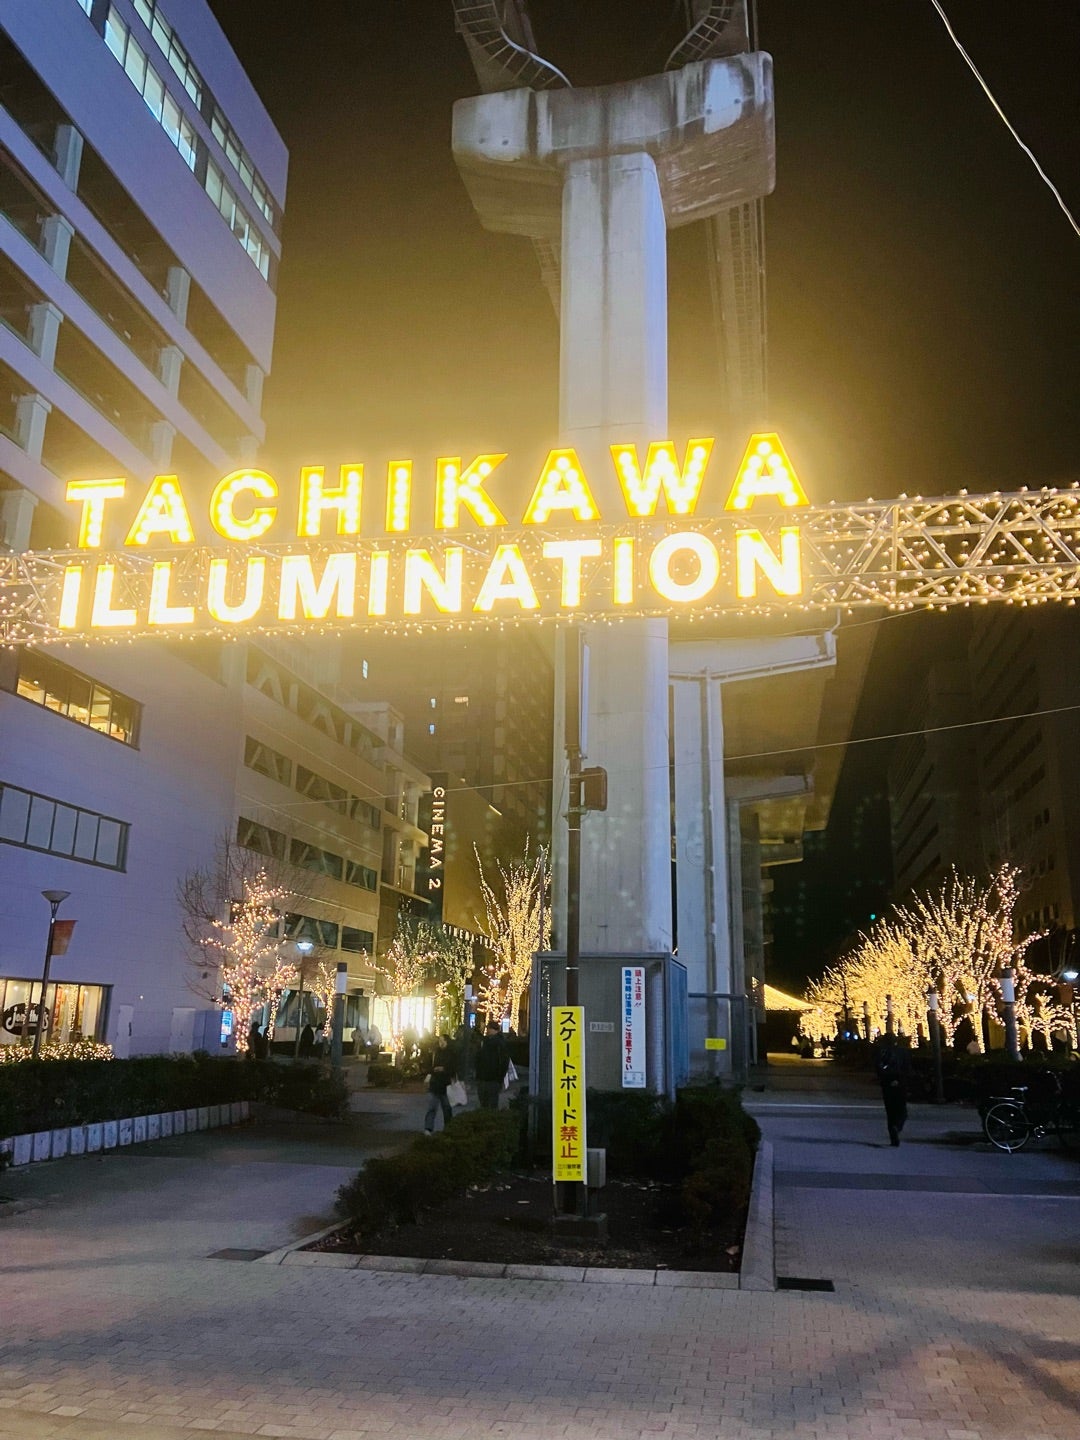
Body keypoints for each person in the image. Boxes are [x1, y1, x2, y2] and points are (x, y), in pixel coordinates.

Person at [874, 1039, 908, 1146]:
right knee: (901, 1109)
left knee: (890, 1111)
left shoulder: (882, 1052)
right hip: (900, 1083)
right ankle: (897, 1126)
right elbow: (907, 1068)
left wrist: (883, 1079)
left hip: (887, 1084)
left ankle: (893, 1135)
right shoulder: (902, 1052)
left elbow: (878, 1067)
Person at [423, 1033, 457, 1133]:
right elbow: (429, 1066)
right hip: (435, 1084)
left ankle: (448, 1128)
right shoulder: (435, 1052)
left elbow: (454, 1068)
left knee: (446, 1109)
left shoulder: (452, 1053)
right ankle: (428, 1128)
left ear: (447, 1042)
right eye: (440, 1041)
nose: (441, 1043)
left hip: (446, 1084)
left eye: (443, 1041)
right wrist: (433, 1070)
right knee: (432, 1108)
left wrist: (444, 1069)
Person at [475, 1020, 509, 1110]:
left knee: (488, 1102)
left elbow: (503, 1062)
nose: (487, 1031)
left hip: (490, 1078)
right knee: (490, 1102)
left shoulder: (494, 1043)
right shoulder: (492, 1041)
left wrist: (499, 1077)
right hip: (490, 1078)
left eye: (488, 1029)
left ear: (493, 1029)